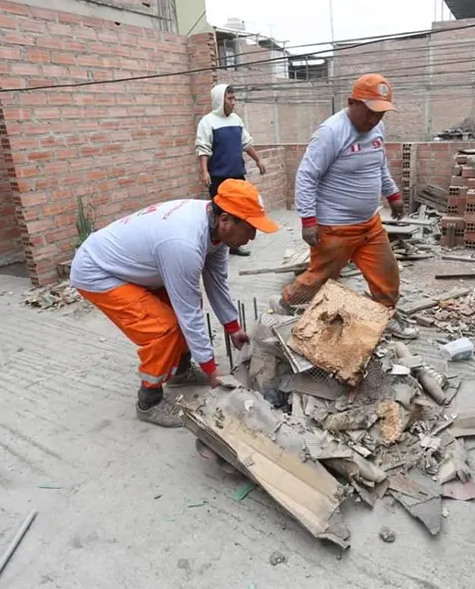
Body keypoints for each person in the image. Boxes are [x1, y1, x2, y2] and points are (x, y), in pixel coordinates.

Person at [69, 180, 280, 428]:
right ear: (225, 220)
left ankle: (180, 373)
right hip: (98, 270)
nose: (253, 236)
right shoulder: (185, 243)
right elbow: (188, 312)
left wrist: (232, 326)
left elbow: (216, 282)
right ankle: (149, 401)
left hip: (136, 265)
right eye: (250, 228)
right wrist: (211, 370)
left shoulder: (217, 231)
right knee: (163, 328)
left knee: (185, 308)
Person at [274, 73, 417, 339]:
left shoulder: (377, 129)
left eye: (382, 114)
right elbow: (307, 175)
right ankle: (285, 306)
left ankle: (385, 315)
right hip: (335, 227)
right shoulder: (331, 132)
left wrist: (393, 194)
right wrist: (308, 220)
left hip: (370, 224)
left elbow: (379, 164)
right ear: (353, 102)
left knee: (387, 274)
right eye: (371, 112)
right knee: (320, 278)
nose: (375, 119)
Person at [196, 84, 266, 257]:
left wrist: (258, 160)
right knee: (220, 214)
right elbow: (203, 149)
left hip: (237, 175)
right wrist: (205, 171)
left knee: (240, 213)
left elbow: (246, 143)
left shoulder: (236, 120)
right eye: (230, 99)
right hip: (219, 177)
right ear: (220, 100)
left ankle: (235, 245)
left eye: (234, 98)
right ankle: (217, 248)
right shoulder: (208, 122)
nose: (233, 102)